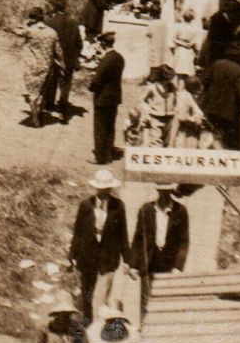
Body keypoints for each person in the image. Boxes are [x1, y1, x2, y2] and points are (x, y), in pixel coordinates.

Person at [69, 169, 129, 321]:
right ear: (96, 188)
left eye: (107, 189)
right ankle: (88, 322)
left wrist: (127, 260)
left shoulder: (118, 206)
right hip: (87, 257)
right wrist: (72, 255)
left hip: (108, 258)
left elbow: (123, 234)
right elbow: (78, 232)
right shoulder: (85, 205)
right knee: (87, 293)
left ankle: (101, 323)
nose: (104, 192)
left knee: (103, 295)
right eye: (101, 189)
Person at [129, 183, 191, 318]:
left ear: (172, 191)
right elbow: (138, 238)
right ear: (157, 191)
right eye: (162, 191)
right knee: (146, 301)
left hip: (169, 265)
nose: (164, 195)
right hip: (149, 263)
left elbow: (184, 242)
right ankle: (144, 327)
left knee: (165, 301)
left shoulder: (180, 211)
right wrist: (133, 265)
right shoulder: (146, 210)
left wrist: (178, 266)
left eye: (167, 192)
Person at [42, 0, 84, 122]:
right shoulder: (73, 22)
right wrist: (75, 55)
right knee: (66, 84)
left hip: (54, 58)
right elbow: (79, 43)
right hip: (69, 59)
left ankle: (49, 104)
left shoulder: (49, 22)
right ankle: (63, 107)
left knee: (52, 80)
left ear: (54, 7)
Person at [202, 48, 240, 151]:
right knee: (224, 137)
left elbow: (205, 81)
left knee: (211, 132)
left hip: (211, 105)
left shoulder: (216, 64)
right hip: (229, 110)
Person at [87, 32, 126, 165]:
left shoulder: (106, 60)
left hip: (102, 97)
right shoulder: (119, 57)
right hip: (114, 97)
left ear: (103, 44)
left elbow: (97, 80)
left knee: (100, 127)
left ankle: (100, 157)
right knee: (110, 126)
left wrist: (91, 87)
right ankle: (108, 153)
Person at [17, 7, 60, 128]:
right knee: (42, 91)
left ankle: (35, 118)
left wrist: (26, 24)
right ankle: (39, 113)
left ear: (33, 18)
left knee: (31, 92)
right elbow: (58, 51)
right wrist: (61, 63)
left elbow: (17, 31)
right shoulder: (52, 32)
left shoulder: (30, 31)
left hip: (31, 65)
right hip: (46, 65)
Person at [128, 66, 175, 148]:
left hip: (169, 118)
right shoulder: (152, 87)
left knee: (167, 142)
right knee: (155, 142)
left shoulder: (172, 87)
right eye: (167, 79)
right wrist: (146, 109)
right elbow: (141, 100)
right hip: (155, 118)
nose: (169, 81)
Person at [169, 73, 206, 147]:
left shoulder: (184, 94)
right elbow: (181, 117)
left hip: (185, 130)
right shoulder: (185, 96)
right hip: (183, 132)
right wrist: (195, 120)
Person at [169, 9, 205, 79]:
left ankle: (179, 85)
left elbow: (173, 39)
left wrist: (181, 43)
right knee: (186, 73)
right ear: (192, 18)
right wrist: (191, 45)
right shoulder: (194, 28)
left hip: (180, 50)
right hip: (189, 51)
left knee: (179, 73)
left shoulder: (179, 26)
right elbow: (195, 41)